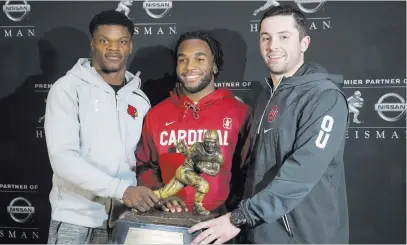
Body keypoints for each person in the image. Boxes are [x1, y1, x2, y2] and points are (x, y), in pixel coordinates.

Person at [189, 5, 350, 244]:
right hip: (262, 232)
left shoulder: (324, 97)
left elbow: (302, 172)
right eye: (266, 37)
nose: (273, 45)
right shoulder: (267, 95)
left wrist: (240, 217)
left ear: (304, 43)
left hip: (305, 237)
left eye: (284, 37)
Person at [44, 10, 159, 244]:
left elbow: (144, 160)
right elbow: (63, 158)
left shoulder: (139, 99)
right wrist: (122, 191)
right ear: (93, 44)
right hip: (76, 220)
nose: (113, 49)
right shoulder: (67, 88)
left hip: (123, 219)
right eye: (105, 40)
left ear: (130, 46)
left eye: (122, 41)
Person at [136, 30, 251, 215]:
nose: (189, 66)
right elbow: (146, 166)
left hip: (222, 226)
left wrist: (231, 212)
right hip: (168, 223)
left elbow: (248, 172)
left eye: (199, 59)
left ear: (214, 65)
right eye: (182, 60)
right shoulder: (157, 114)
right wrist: (162, 199)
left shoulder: (240, 112)